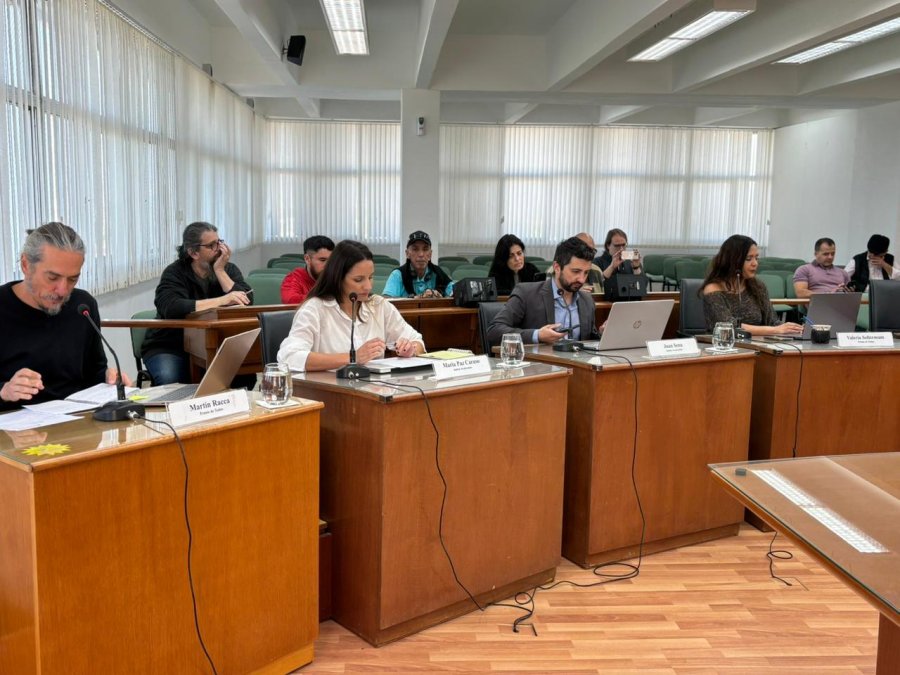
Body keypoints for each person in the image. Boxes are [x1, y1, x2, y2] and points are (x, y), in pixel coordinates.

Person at [0, 222, 131, 409]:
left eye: (72, 279)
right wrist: (4, 391)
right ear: (25, 265)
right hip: (13, 428)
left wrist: (108, 379)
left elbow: (94, 371)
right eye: (52, 278)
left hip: (77, 421)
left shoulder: (82, 306)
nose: (62, 291)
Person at [278, 240, 425, 372]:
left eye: (371, 277)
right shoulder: (315, 309)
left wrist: (410, 349)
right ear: (338, 278)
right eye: (358, 279)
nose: (368, 286)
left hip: (374, 392)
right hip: (330, 395)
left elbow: (418, 341)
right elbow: (289, 357)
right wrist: (352, 357)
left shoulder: (379, 306)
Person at [141, 222, 252, 384]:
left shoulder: (228, 269)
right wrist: (222, 301)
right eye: (212, 245)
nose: (220, 249)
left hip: (214, 344)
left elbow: (247, 302)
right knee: (171, 379)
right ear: (193, 252)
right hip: (170, 345)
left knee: (242, 376)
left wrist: (220, 271)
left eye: (219, 242)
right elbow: (172, 307)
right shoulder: (175, 272)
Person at [487, 236, 600, 347]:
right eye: (576, 271)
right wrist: (537, 335)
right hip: (539, 364)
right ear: (557, 267)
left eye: (586, 273)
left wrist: (602, 333)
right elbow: (494, 331)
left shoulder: (587, 300)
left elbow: (588, 341)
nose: (581, 279)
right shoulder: (526, 294)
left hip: (577, 364)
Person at [701, 234, 803, 336]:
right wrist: (776, 330)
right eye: (748, 259)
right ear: (732, 261)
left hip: (758, 345)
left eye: (756, 258)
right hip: (724, 346)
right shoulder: (712, 289)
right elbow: (729, 326)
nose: (755, 263)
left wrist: (793, 329)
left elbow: (773, 322)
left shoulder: (758, 286)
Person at [382, 231, 454, 298]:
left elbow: (457, 292)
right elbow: (386, 302)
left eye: (425, 249)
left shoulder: (438, 273)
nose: (421, 254)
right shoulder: (398, 275)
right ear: (407, 254)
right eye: (415, 249)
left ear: (430, 254)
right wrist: (416, 299)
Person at [280, 235, 335, 304]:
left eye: (330, 260)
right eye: (322, 260)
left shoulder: (335, 276)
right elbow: (290, 300)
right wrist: (325, 298)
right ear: (307, 259)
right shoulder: (294, 278)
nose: (328, 265)